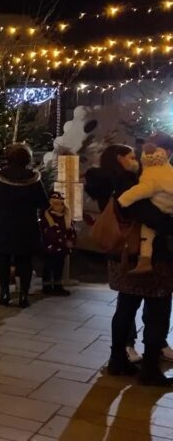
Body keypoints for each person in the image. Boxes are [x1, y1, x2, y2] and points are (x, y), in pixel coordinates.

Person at [86, 144, 173, 385]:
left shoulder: (105, 181)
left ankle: (118, 360)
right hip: (145, 257)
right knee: (158, 307)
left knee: (125, 306)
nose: (135, 160)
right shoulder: (128, 182)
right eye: (131, 157)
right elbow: (149, 215)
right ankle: (150, 370)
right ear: (119, 159)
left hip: (121, 253)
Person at [0, 143, 49, 308]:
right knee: (25, 260)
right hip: (26, 224)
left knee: (3, 258)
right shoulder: (33, 178)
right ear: (27, 159)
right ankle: (23, 297)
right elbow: (43, 202)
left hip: (3, 223)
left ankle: (5, 294)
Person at [116, 141, 173, 274]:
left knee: (147, 231)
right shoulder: (167, 169)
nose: (135, 161)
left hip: (161, 211)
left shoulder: (150, 174)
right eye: (131, 157)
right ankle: (145, 262)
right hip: (166, 211)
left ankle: (145, 261)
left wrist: (124, 199)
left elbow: (143, 190)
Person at [40, 192, 75, 296]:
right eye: (55, 204)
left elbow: (71, 230)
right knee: (48, 266)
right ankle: (46, 286)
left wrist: (71, 240)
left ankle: (58, 286)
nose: (58, 206)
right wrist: (59, 238)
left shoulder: (66, 216)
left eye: (60, 204)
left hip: (62, 248)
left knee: (59, 266)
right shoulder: (46, 216)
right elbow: (47, 232)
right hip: (50, 247)